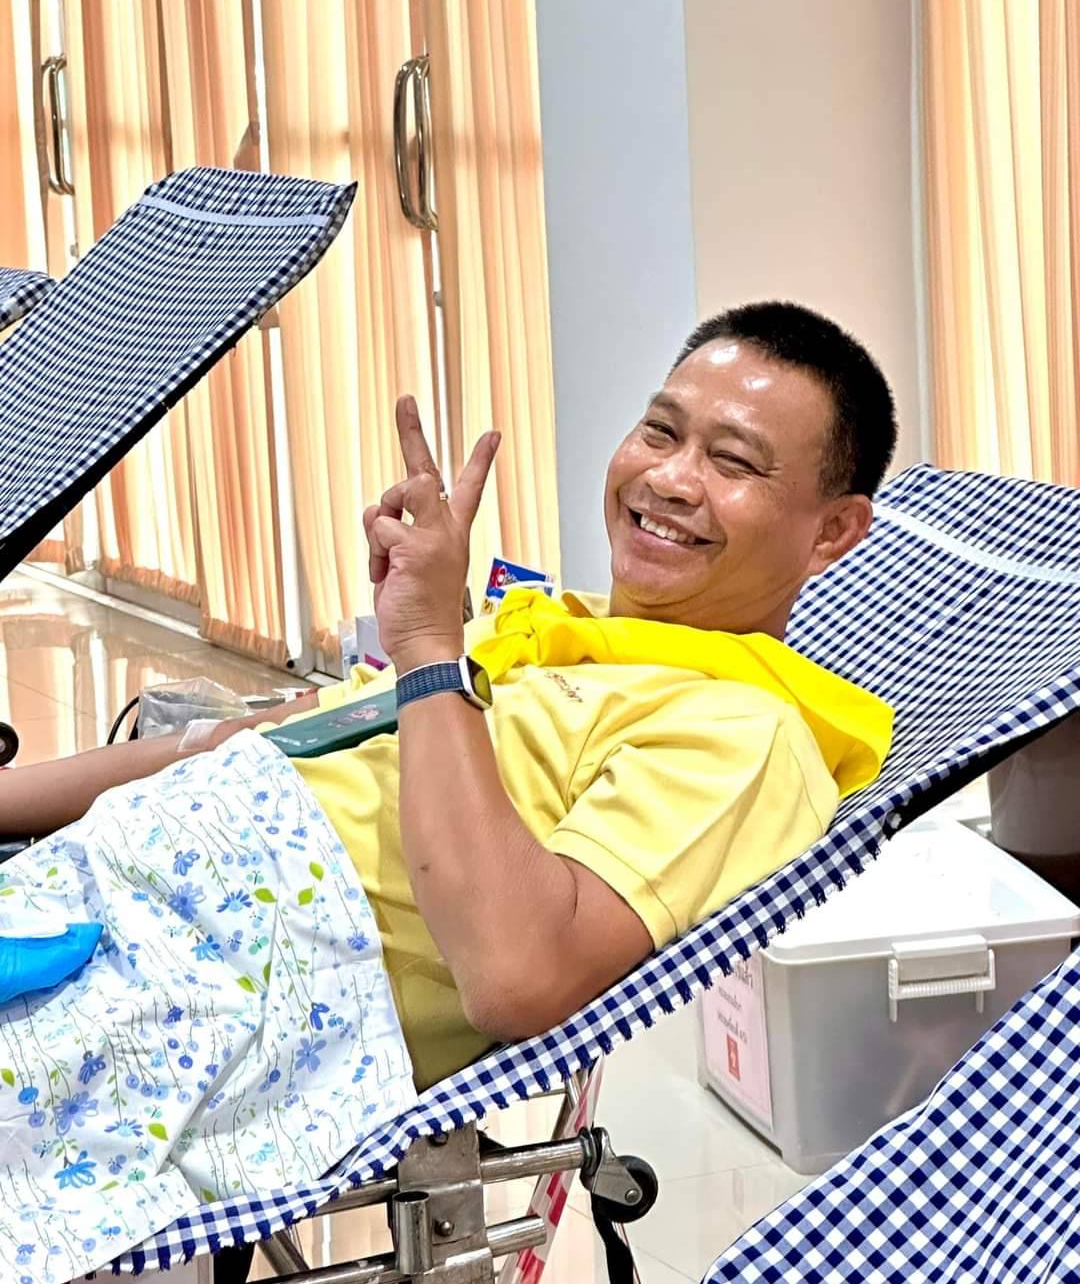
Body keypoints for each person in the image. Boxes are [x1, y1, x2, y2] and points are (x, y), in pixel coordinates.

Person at [0, 300, 896, 1091]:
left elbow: (518, 979)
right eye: (660, 433)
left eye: (733, 462)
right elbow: (264, 740)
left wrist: (430, 649)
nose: (669, 479)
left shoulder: (739, 732)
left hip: (185, 1002)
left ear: (833, 531)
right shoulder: (545, 631)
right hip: (88, 892)